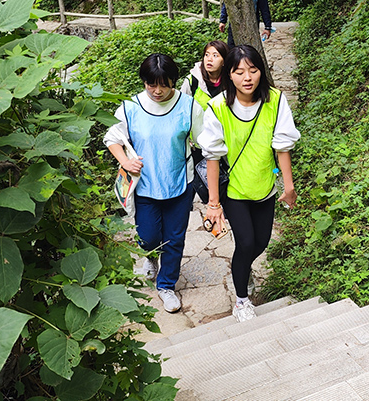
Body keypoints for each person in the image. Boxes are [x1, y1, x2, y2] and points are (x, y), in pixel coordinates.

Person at [198, 45, 299, 322]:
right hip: (235, 191)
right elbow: (213, 157)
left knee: (261, 243)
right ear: (229, 75)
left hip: (264, 187)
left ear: (260, 72)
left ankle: (242, 268)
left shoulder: (275, 101)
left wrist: (288, 187)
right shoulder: (218, 108)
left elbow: (282, 147)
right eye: (239, 71)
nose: (247, 77)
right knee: (245, 243)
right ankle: (242, 300)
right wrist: (214, 204)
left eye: (253, 70)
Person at [103, 54, 203, 314]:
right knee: (148, 237)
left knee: (174, 239)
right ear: (144, 81)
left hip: (179, 182)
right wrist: (125, 161)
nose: (157, 91)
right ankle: (150, 257)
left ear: (173, 82)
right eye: (151, 84)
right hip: (145, 185)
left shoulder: (188, 106)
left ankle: (167, 285)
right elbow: (112, 137)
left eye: (164, 85)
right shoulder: (131, 108)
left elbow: (206, 140)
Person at [180, 41, 230, 203]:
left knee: (225, 184)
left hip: (226, 144)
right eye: (207, 55)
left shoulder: (231, 81)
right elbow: (181, 111)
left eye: (215, 55)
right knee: (201, 185)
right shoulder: (192, 81)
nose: (209, 59)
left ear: (224, 60)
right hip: (198, 146)